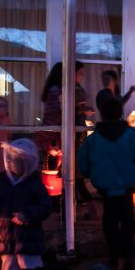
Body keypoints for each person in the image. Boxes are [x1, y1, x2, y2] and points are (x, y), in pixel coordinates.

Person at [77, 99, 135, 270]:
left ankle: (113, 258)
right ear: (120, 114)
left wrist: (89, 173)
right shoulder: (132, 136)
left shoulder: (93, 139)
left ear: (102, 114)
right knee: (127, 221)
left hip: (105, 188)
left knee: (109, 222)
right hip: (126, 187)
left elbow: (83, 163)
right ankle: (128, 256)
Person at [0, 139, 53, 270]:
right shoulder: (0, 182)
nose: (15, 163)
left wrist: (28, 214)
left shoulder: (35, 183)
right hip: (6, 239)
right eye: (12, 159)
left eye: (20, 160)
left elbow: (45, 206)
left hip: (29, 240)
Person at [39, 61, 99, 219]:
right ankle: (66, 209)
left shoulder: (72, 90)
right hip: (60, 137)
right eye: (79, 73)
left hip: (73, 136)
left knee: (71, 174)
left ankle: (68, 210)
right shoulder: (59, 91)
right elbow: (57, 114)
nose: (81, 77)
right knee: (67, 174)